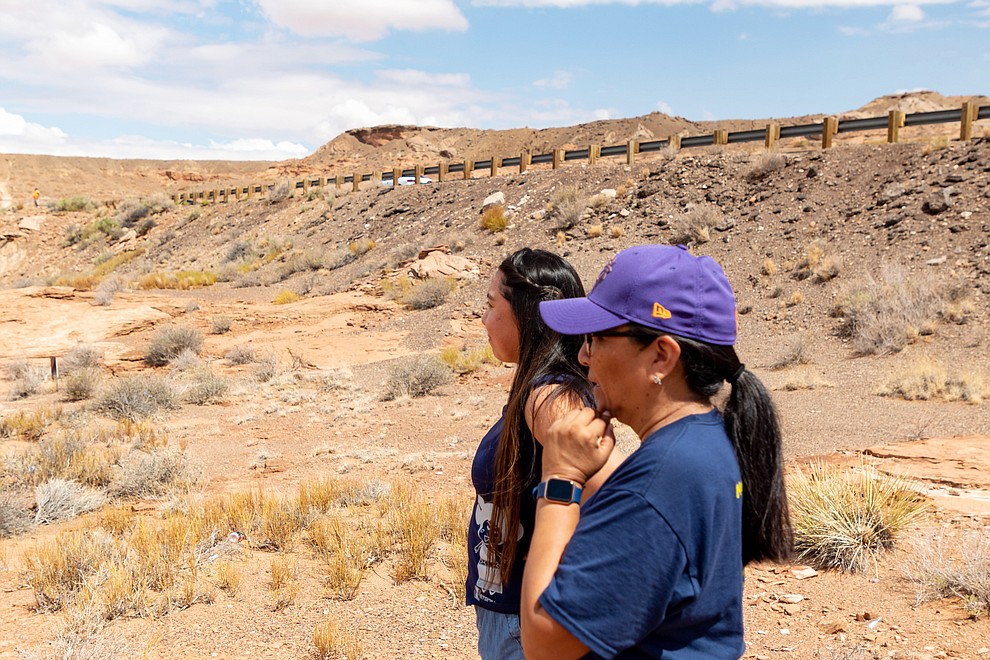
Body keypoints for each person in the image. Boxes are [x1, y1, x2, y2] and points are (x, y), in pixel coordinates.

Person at [520, 244, 793, 659]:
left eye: (596, 337)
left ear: (661, 356)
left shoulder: (661, 479)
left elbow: (544, 641)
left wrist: (560, 480)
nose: (582, 355)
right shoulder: (707, 441)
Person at [468, 247, 625, 660]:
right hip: (515, 613)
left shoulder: (549, 395)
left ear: (525, 312)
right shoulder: (542, 386)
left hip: (532, 624)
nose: (484, 319)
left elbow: (614, 493)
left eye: (490, 304)